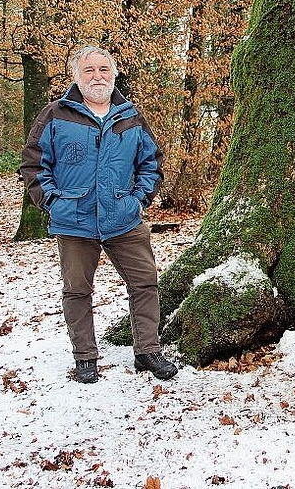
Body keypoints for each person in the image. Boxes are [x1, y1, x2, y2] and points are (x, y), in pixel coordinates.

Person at [19, 45, 178, 383]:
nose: (97, 76)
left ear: (114, 74)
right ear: (76, 76)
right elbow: (33, 164)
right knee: (77, 289)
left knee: (145, 282)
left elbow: (151, 162)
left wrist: (138, 200)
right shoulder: (56, 115)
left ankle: (148, 351)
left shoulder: (130, 115)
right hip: (74, 217)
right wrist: (52, 201)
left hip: (124, 216)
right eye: (89, 70)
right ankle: (85, 357)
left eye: (104, 69)